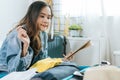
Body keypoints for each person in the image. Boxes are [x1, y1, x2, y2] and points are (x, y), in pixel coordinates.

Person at [0, 1, 53, 78]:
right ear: (33, 16)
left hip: (27, 72)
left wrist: (61, 61)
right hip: (6, 73)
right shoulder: (18, 35)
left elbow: (42, 61)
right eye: (42, 16)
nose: (46, 21)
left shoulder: (43, 35)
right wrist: (25, 47)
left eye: (49, 17)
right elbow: (15, 70)